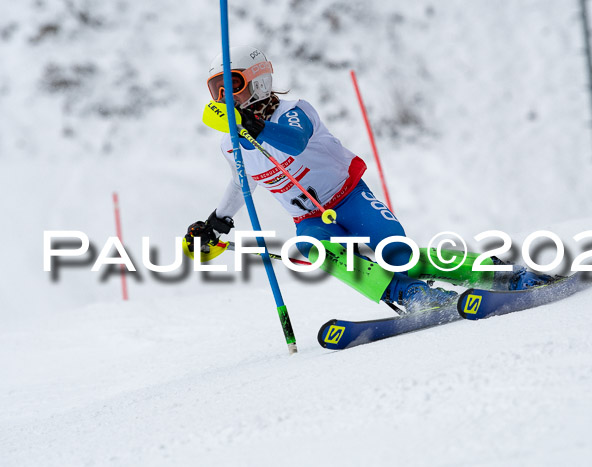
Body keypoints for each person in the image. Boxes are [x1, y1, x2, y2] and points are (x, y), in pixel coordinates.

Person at [184, 45, 552, 313]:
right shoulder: (230, 145)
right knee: (316, 251)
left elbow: (294, 143)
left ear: (260, 82)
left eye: (231, 85)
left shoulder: (295, 112)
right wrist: (217, 222)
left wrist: (251, 125)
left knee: (397, 254)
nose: (223, 97)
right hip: (311, 220)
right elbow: (241, 183)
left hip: (349, 198)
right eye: (215, 90)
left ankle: (500, 274)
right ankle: (411, 295)